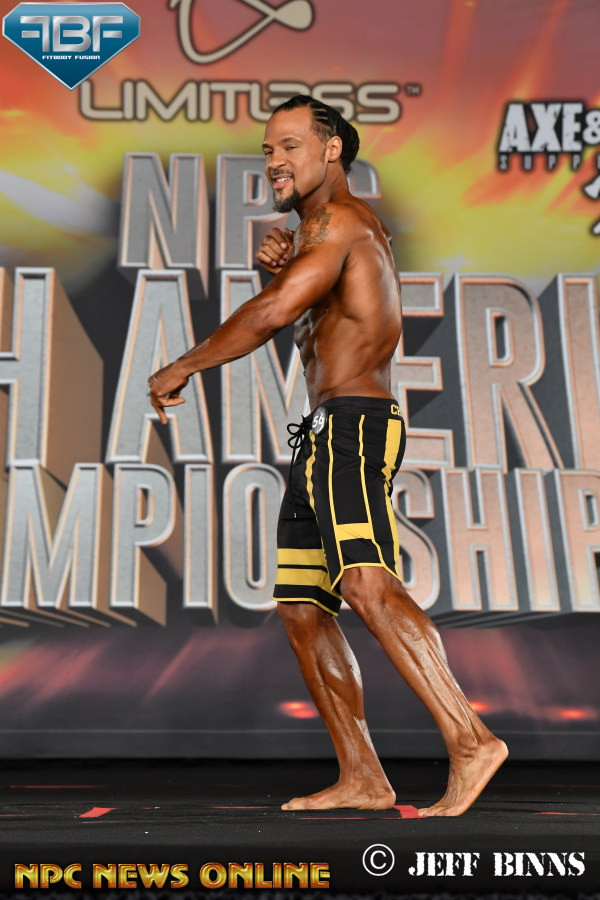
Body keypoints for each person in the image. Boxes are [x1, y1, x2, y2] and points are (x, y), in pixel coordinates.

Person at [148, 95, 508, 816]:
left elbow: (276, 313)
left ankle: (472, 740)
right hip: (321, 432)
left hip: (354, 427)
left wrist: (183, 364)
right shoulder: (320, 231)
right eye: (268, 151)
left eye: (289, 146)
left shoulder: (342, 221)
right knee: (302, 607)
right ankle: (364, 775)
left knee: (367, 584)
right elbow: (311, 316)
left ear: (332, 148)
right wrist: (279, 273)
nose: (274, 162)